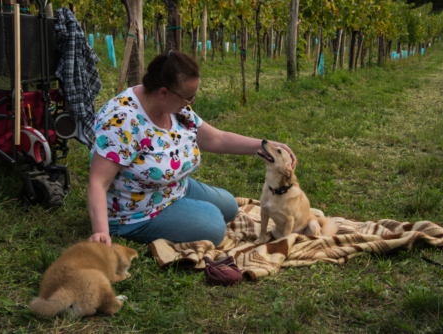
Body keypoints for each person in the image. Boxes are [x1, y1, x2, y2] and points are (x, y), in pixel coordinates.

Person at [87, 51, 296, 247]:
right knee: (214, 227)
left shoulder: (175, 109)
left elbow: (217, 138)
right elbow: (98, 182)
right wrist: (101, 232)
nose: (192, 102)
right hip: (137, 211)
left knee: (230, 207)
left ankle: (186, 206)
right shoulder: (121, 121)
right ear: (163, 93)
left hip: (174, 186)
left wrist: (264, 146)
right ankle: (131, 227)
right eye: (188, 97)